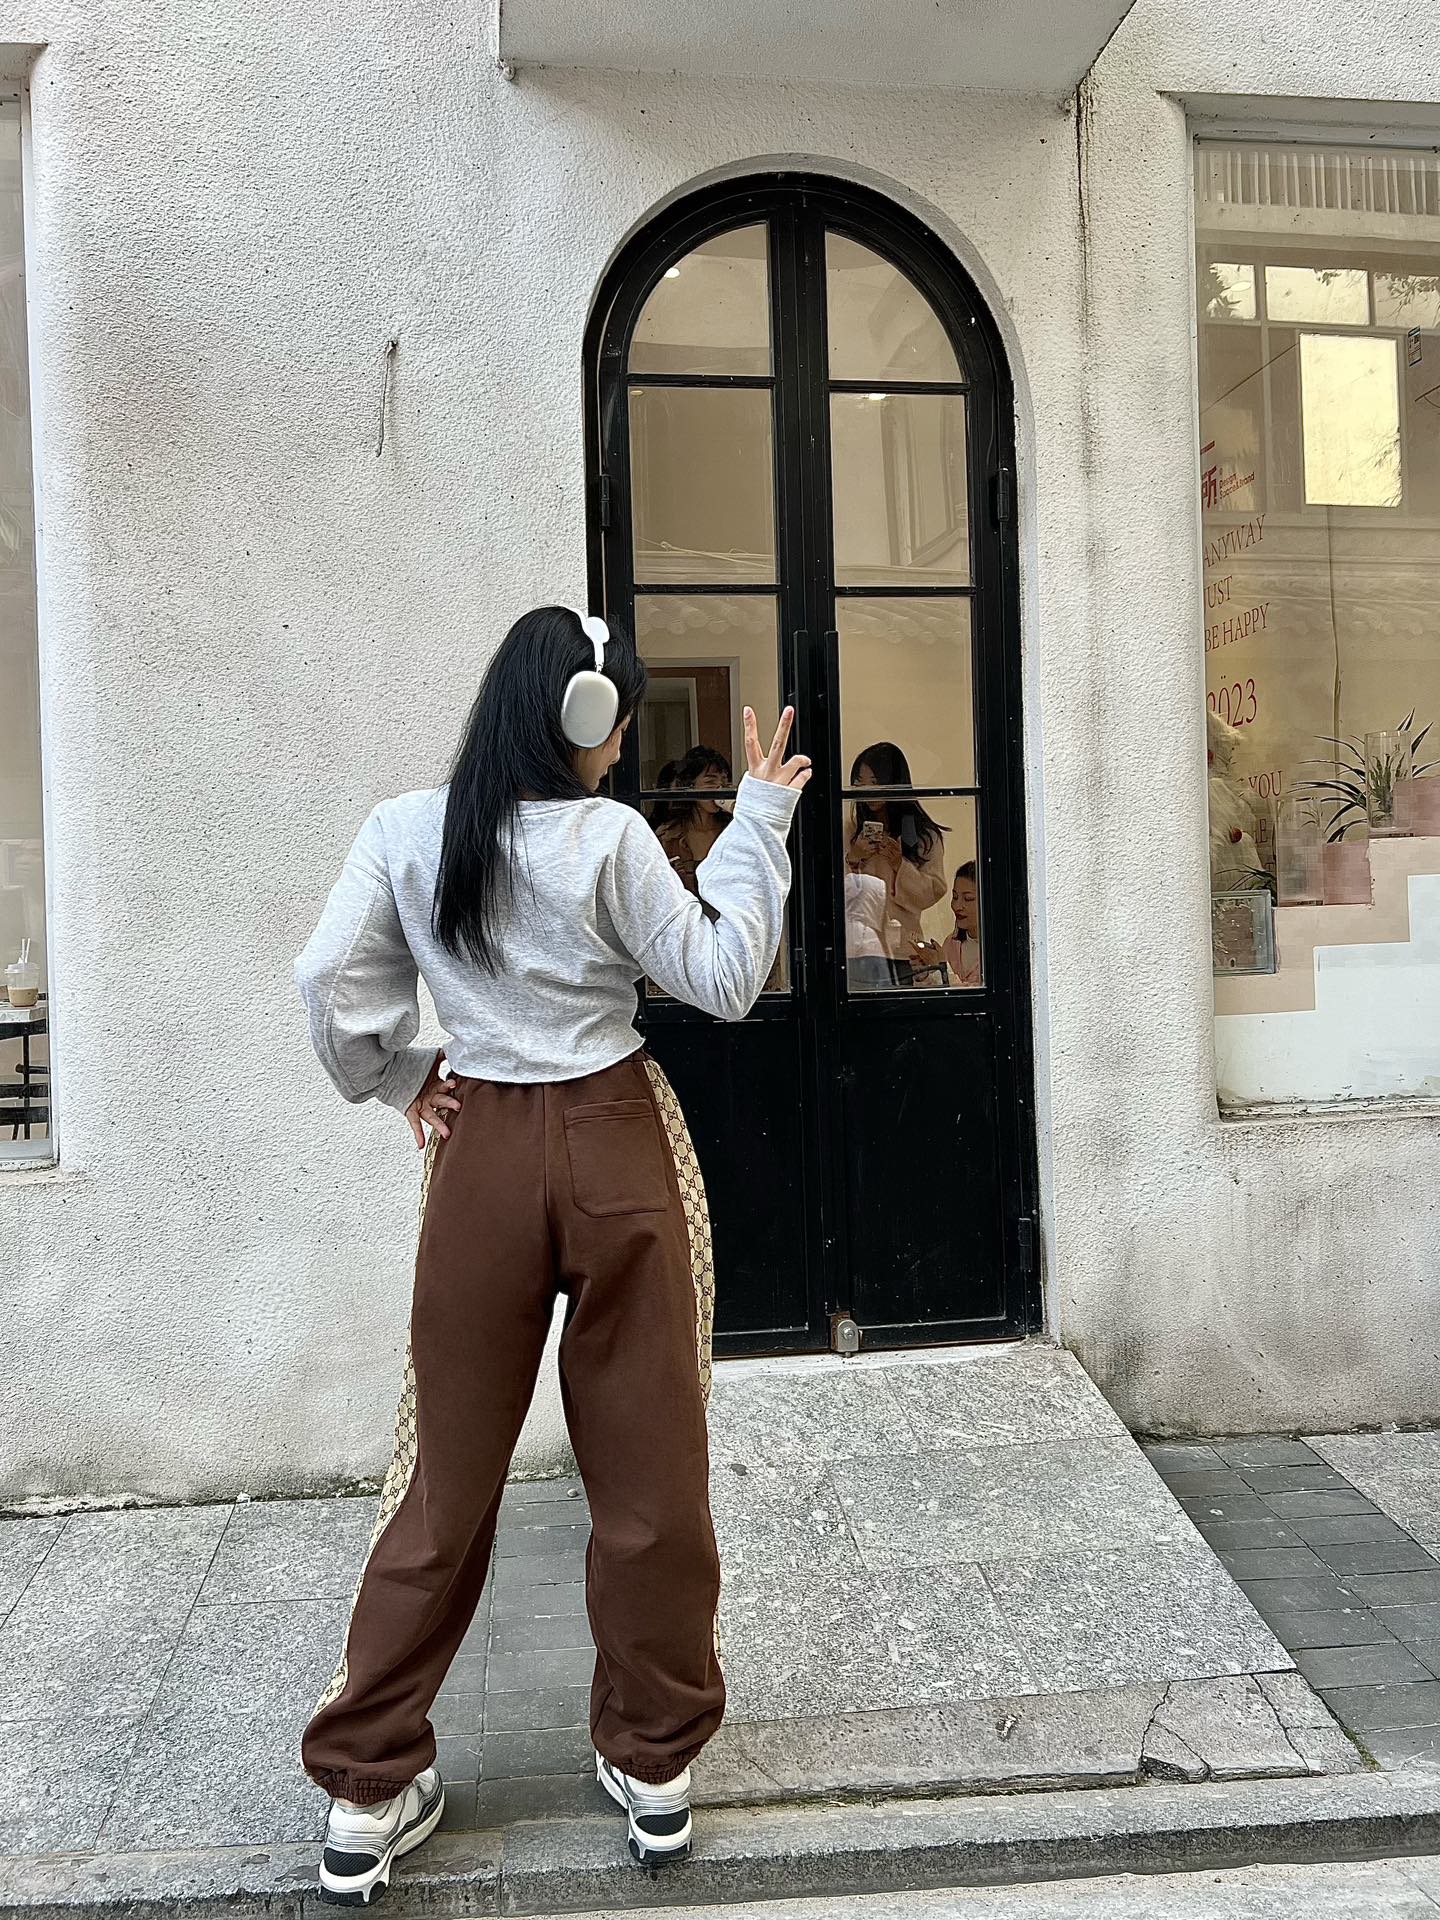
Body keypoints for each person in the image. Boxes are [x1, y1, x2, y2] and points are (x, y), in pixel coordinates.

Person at [293, 606, 809, 1898]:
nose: (622, 741)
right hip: (618, 1141)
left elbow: (327, 983)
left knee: (444, 1473)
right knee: (649, 1461)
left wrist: (400, 1077)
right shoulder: (609, 837)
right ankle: (655, 1763)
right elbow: (725, 977)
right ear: (587, 716)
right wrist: (758, 822)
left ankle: (366, 1785)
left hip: (478, 1153)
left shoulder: (407, 830)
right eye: (618, 715)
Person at [843, 741, 947, 984]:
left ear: (894, 782)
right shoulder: (849, 831)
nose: (866, 789)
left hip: (903, 948)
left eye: (875, 781)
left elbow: (932, 892)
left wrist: (900, 864)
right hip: (857, 947)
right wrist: (854, 858)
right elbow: (835, 894)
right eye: (859, 781)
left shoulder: (923, 836)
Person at [649, 745, 733, 895]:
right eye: (710, 782)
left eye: (725, 782)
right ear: (690, 785)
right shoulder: (668, 836)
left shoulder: (733, 831)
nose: (720, 788)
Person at [942, 861, 983, 986]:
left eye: (968, 899)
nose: (957, 906)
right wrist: (925, 972)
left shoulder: (1001, 950)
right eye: (955, 897)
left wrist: (941, 968)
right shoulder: (951, 943)